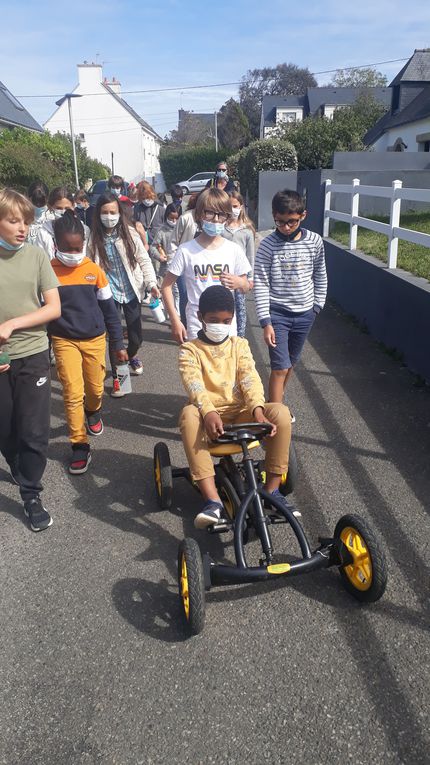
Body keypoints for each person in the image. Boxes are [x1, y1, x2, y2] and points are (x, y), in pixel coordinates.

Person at [178, 285, 295, 528]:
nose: (220, 325)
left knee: (281, 413)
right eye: (213, 320)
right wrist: (208, 412)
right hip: (208, 418)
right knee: (189, 414)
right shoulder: (190, 350)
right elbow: (194, 385)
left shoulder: (239, 345)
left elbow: (249, 378)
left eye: (226, 320)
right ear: (200, 318)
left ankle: (272, 490)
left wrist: (258, 411)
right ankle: (212, 501)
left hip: (241, 414)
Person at [0, 188, 61, 532]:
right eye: (13, 220)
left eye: (26, 220)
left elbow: (53, 307)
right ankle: (14, 460)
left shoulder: (37, 256)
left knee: (35, 429)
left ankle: (31, 494)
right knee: (5, 427)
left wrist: (13, 324)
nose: (22, 227)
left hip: (34, 352)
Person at [49, 210, 127, 474]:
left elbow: (110, 311)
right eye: (67, 248)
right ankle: (79, 445)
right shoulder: (48, 272)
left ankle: (94, 412)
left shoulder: (94, 271)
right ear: (56, 245)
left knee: (94, 389)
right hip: (63, 340)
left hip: (95, 339)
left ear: (84, 243)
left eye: (78, 247)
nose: (73, 253)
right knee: (72, 392)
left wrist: (118, 344)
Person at [253, 189, 327, 409]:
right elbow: (261, 283)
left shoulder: (314, 241)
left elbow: (320, 274)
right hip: (278, 315)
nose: (285, 227)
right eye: (280, 221)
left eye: (292, 222)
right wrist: (266, 322)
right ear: (274, 215)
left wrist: (316, 307)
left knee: (291, 363)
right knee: (279, 367)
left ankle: (276, 400)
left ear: (303, 215)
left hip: (305, 314)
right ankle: (274, 415)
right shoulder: (267, 246)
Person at [88, 192, 159, 396]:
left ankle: (129, 356)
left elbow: (144, 260)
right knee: (115, 337)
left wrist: (151, 283)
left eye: (113, 212)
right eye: (105, 212)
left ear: (119, 213)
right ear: (98, 214)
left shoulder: (129, 233)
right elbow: (90, 266)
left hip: (131, 291)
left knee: (136, 338)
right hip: (107, 294)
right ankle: (121, 379)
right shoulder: (93, 238)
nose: (109, 216)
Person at [161, 188, 251, 343]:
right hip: (197, 325)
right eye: (210, 213)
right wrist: (176, 320)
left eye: (221, 214)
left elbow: (246, 286)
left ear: (227, 218)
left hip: (227, 327)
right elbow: (166, 286)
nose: (216, 219)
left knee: (226, 367)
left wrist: (240, 282)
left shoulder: (234, 249)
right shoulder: (186, 250)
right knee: (197, 366)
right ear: (199, 214)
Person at [222, 190, 255, 337]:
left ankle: (240, 337)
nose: (233, 210)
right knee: (224, 303)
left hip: (241, 274)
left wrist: (250, 277)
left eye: (235, 206)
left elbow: (250, 255)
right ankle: (224, 332)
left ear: (241, 206)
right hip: (223, 273)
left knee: (240, 306)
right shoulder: (221, 228)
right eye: (229, 206)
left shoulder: (247, 230)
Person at [149, 204, 180, 312]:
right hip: (166, 266)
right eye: (171, 218)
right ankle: (172, 314)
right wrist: (159, 256)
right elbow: (153, 247)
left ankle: (178, 315)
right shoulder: (161, 231)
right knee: (168, 291)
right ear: (167, 216)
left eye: (176, 218)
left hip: (180, 265)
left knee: (178, 292)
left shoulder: (181, 229)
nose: (174, 220)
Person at [35, 186, 76, 260]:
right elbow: (40, 261)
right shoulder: (43, 233)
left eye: (67, 208)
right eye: (59, 208)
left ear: (73, 206)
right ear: (50, 208)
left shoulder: (83, 230)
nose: (63, 212)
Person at [134, 181, 165, 247]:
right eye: (143, 198)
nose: (146, 200)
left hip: (158, 244)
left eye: (148, 197)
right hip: (143, 244)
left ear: (152, 194)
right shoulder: (137, 209)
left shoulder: (161, 208)